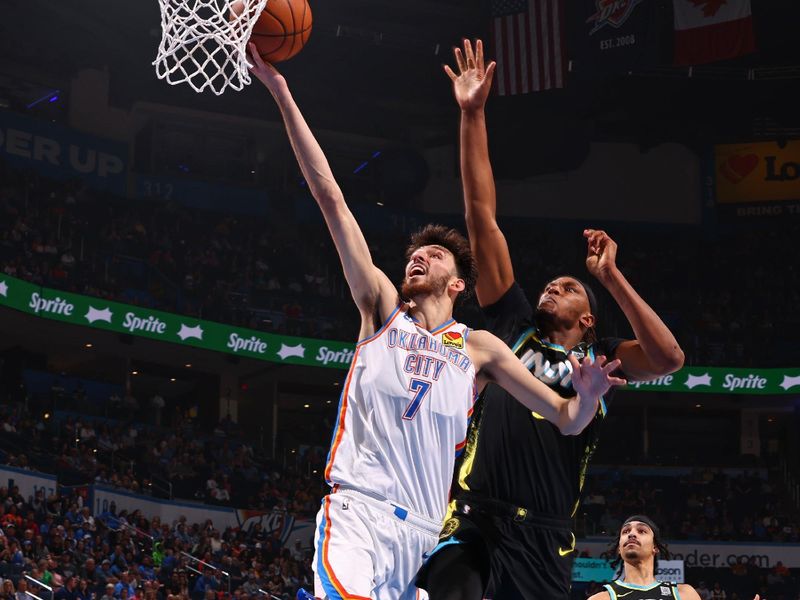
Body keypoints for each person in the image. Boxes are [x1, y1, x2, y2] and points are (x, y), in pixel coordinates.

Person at [247, 45, 626, 600]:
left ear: (457, 285)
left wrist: (589, 395)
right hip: (359, 514)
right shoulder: (379, 308)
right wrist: (281, 91)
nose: (417, 257)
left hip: (427, 535)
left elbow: (568, 420)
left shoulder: (481, 349)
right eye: (413, 254)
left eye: (434, 255)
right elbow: (330, 198)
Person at [417, 39, 685, 600]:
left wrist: (611, 277)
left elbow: (668, 358)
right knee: (447, 589)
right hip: (476, 516)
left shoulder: (603, 357)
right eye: (551, 284)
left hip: (545, 534)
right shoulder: (514, 321)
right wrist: (472, 115)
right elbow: (481, 216)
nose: (550, 288)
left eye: (565, 289)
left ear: (587, 319)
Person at [588, 516, 761, 600]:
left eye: (641, 531)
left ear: (655, 547)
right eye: (625, 532)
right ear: (619, 548)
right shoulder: (601, 599)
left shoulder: (684, 594)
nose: (632, 534)